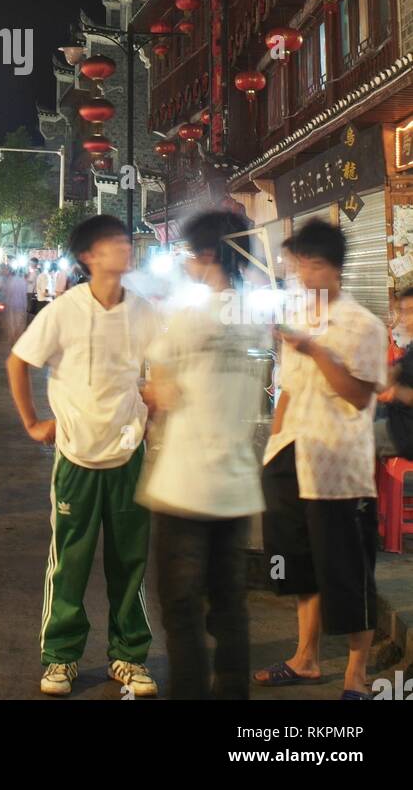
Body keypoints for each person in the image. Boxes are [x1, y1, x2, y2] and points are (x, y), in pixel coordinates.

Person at [6, 214, 160, 698]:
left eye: (124, 241)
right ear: (89, 257)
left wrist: (154, 408)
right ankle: (60, 658)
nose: (124, 248)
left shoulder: (145, 312)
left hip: (128, 452)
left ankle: (129, 656)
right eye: (113, 243)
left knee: (129, 559)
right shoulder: (65, 310)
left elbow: (161, 372)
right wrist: (33, 424)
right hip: (74, 455)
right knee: (68, 560)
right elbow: (18, 360)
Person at [255, 219, 386, 700]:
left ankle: (356, 675)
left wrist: (317, 351)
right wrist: (272, 448)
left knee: (348, 571)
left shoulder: (363, 326)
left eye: (309, 264)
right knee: (294, 564)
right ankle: (304, 658)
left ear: (333, 268)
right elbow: (287, 388)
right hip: (291, 455)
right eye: (296, 265)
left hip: (338, 470)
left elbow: (357, 397)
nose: (300, 274)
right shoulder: (299, 316)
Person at [139, 211, 268, 700]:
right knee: (230, 608)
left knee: (182, 611)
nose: (187, 263)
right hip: (236, 489)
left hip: (186, 488)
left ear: (209, 255)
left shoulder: (189, 320)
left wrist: (157, 388)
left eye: (191, 254)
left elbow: (160, 394)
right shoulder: (255, 322)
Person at [374, 287, 413, 461]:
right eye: (403, 312)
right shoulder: (410, 348)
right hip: (397, 420)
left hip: (406, 433)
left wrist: (395, 392)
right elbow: (394, 371)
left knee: (351, 441)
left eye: (411, 312)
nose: (406, 319)